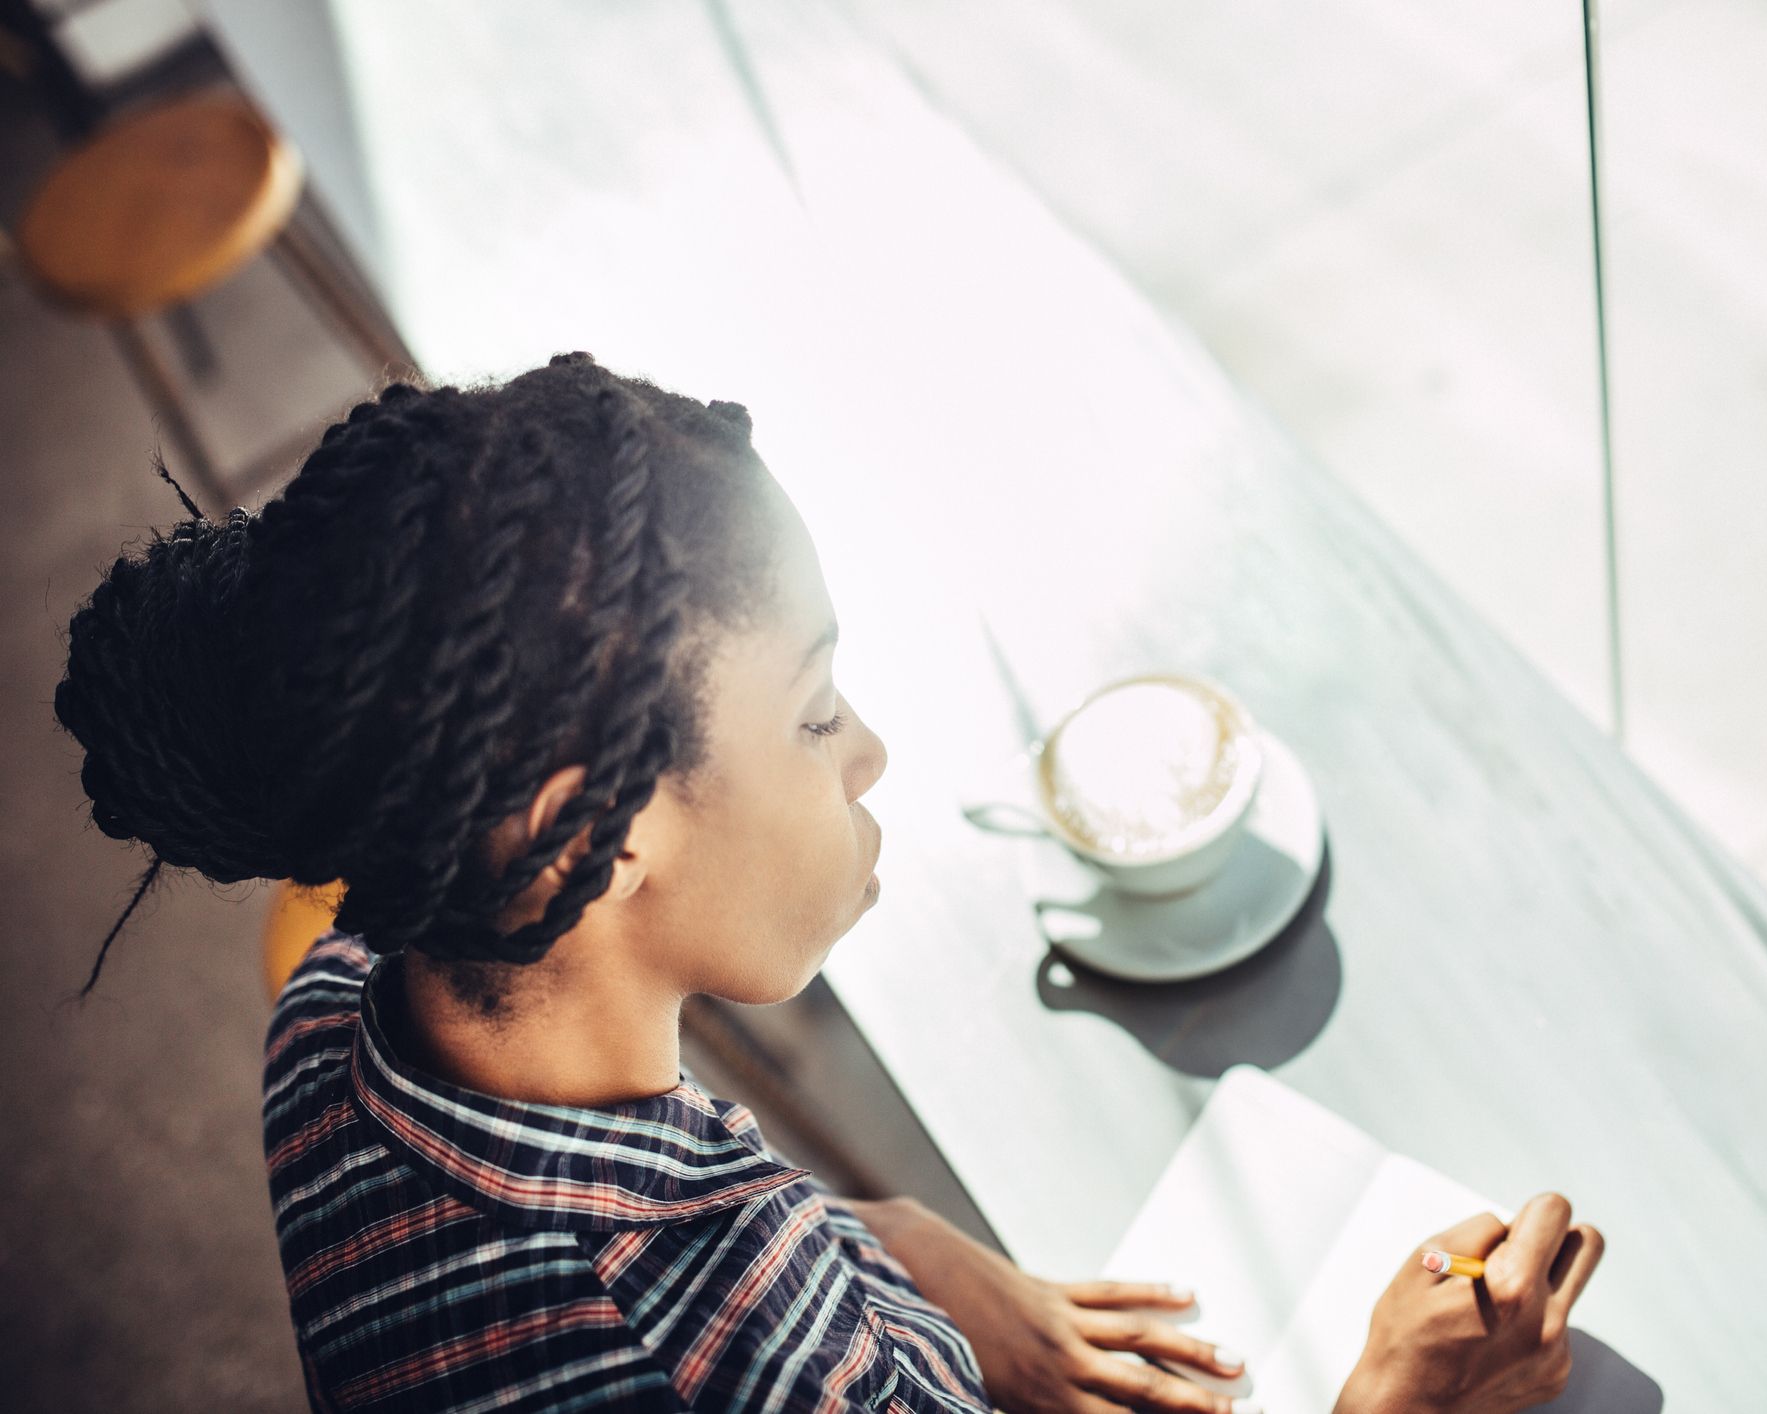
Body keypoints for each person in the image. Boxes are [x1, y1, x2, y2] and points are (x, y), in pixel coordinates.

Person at [54, 353, 1603, 1412]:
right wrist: (1391, 1390)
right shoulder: (797, 1371)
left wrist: (884, 1245)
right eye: (810, 710)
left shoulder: (331, 1020)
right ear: (574, 832)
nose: (870, 750)